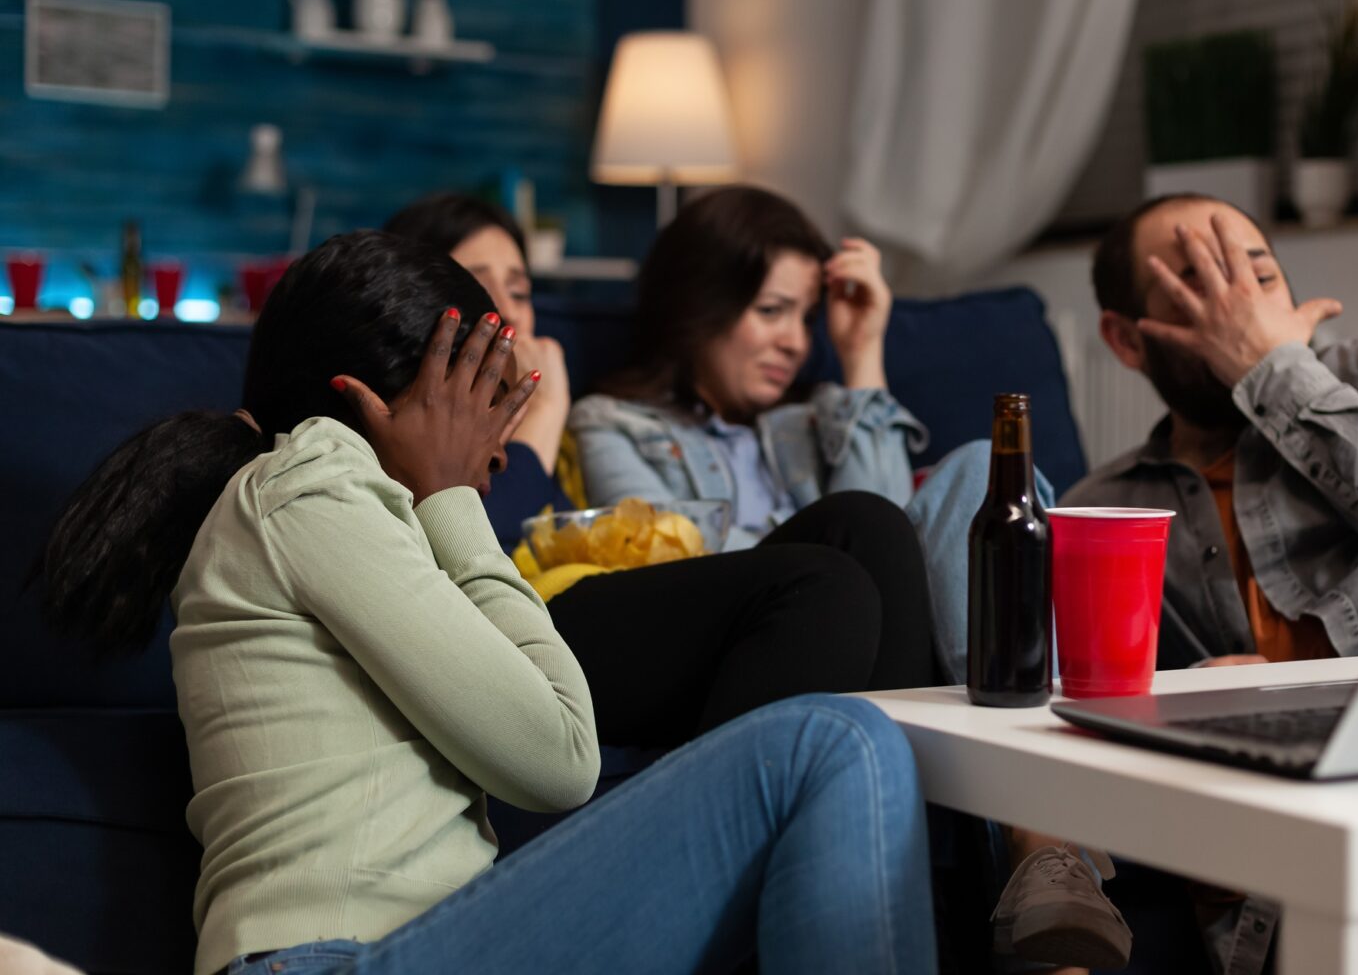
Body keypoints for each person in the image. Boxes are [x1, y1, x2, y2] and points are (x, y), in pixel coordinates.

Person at [38, 231, 937, 975]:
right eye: (482, 411)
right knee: (836, 741)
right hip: (330, 961)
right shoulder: (308, 487)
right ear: (378, 404)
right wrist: (452, 499)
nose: (497, 454)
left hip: (427, 946)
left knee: (853, 671)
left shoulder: (335, 510)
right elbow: (559, 758)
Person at [565, 186, 1128, 972]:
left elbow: (904, 541)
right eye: (770, 311)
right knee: (862, 522)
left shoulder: (819, 417)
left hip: (888, 630)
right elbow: (682, 559)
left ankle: (1043, 842)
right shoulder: (614, 423)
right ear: (700, 304)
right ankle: (1035, 830)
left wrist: (862, 355)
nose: (793, 342)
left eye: (804, 317)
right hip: (773, 637)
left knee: (981, 467)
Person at [1063, 193, 1358, 974]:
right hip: (1279, 853)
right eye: (1197, 283)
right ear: (1126, 340)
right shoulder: (1102, 509)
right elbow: (1076, 719)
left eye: (1259, 275)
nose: (1238, 303)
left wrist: (1272, 370)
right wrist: (1189, 699)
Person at [382, 192, 938, 746]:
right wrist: (544, 419)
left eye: (523, 290)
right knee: (830, 576)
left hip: (616, 608)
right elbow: (492, 553)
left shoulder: (559, 432)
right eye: (479, 288)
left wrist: (863, 353)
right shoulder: (482, 429)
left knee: (879, 520)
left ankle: (924, 794)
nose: (512, 309)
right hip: (539, 629)